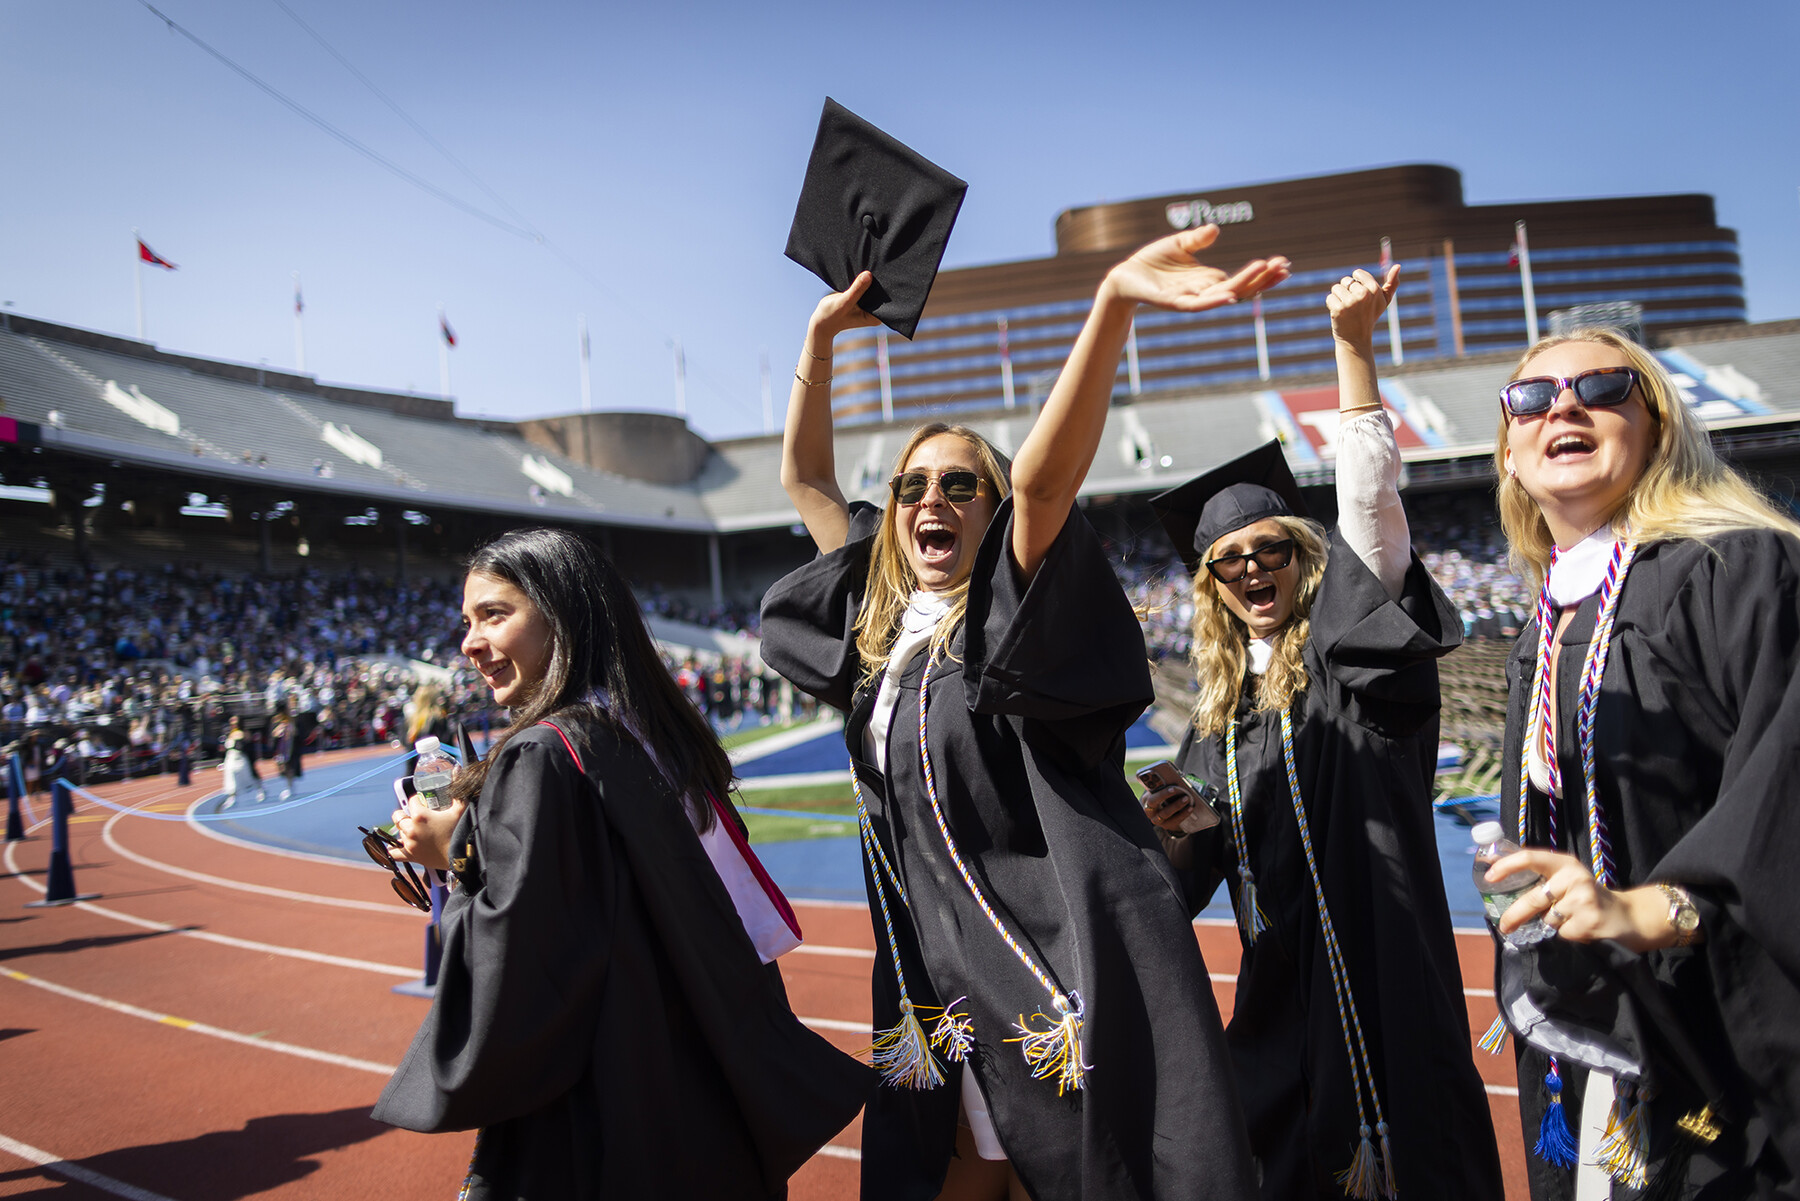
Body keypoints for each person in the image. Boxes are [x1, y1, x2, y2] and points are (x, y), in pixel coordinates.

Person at [760, 224, 1288, 1201]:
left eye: (963, 485)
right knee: (954, 1174)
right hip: (936, 975)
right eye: (913, 486)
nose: (934, 499)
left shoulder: (1011, 615)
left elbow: (1046, 481)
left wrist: (1114, 305)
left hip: (1050, 962)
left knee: (1083, 1172)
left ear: (992, 513)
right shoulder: (878, 627)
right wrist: (821, 340)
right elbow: (803, 478)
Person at [371, 527, 867, 1199]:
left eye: (495, 613)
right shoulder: (647, 731)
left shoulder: (543, 755)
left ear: (563, 614)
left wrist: (454, 859)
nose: (469, 641)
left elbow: (515, 977)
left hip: (604, 1119)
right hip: (701, 1100)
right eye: (467, 620)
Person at [1145, 268, 1502, 1200]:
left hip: (1382, 960)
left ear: (1306, 560)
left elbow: (1374, 522)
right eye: (1230, 561)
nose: (1252, 566)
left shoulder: (1355, 660)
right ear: (1213, 586)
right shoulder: (1214, 720)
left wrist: (1353, 353)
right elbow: (1185, 880)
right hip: (1276, 994)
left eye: (1272, 549)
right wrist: (1183, 827)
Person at [1483, 328, 1800, 1200]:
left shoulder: (1740, 568)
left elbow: (1787, 795)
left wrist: (1652, 908)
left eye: (1603, 386)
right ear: (1509, 452)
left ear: (1656, 426)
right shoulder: (1543, 625)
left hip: (1727, 1029)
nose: (1565, 405)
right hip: (1599, 1033)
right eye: (1533, 398)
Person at [219, 715, 263, 807]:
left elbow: (243, 746)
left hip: (241, 758)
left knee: (248, 776)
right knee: (230, 777)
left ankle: (260, 790)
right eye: (232, 723)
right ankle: (232, 797)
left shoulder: (244, 733)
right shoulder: (229, 733)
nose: (233, 725)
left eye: (235, 723)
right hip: (230, 759)